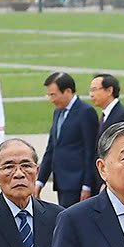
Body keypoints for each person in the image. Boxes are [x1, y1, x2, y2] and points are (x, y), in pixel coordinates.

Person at [38, 71, 100, 208]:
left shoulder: (86, 112)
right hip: (62, 183)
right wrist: (39, 181)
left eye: (53, 95)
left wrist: (87, 185)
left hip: (79, 186)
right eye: (49, 95)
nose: (51, 99)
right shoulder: (58, 112)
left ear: (67, 91)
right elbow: (52, 149)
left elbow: (91, 151)